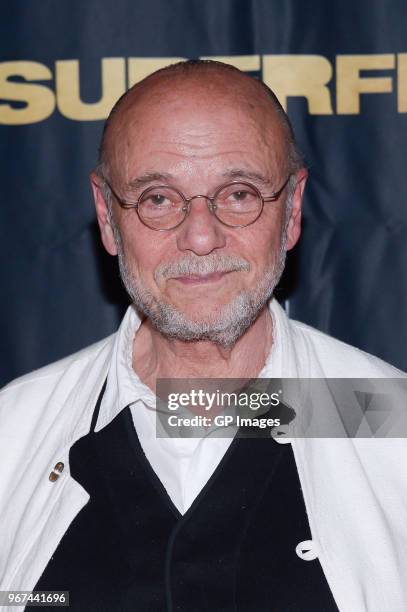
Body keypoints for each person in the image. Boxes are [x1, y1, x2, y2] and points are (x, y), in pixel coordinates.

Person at [1, 59, 407, 612]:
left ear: (291, 210)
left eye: (239, 194)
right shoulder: (13, 432)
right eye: (158, 199)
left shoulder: (390, 426)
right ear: (107, 216)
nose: (199, 237)